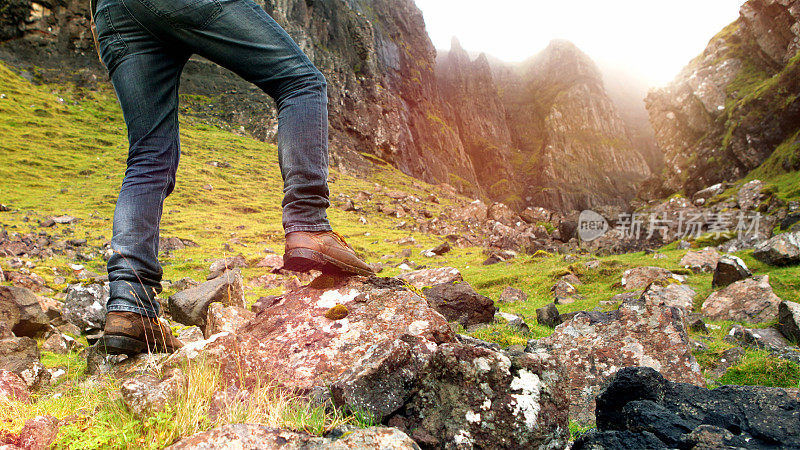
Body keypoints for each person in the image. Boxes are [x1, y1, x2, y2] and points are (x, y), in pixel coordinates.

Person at [91, 0, 373, 356]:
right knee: (301, 82)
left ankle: (129, 304)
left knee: (148, 156)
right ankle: (309, 224)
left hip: (112, 12)